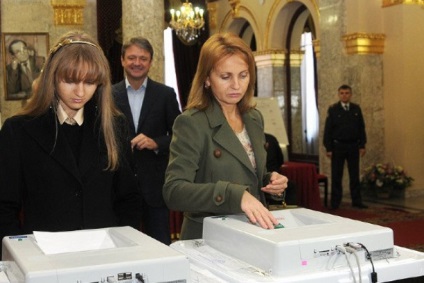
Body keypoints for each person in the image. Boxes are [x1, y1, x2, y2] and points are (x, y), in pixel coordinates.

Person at [0, 31, 143, 254]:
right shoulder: (18, 130)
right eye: (70, 81)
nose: (80, 92)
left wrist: (124, 250)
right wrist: (22, 256)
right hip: (43, 259)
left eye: (90, 82)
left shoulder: (115, 126)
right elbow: (4, 207)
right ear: (52, 77)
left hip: (105, 256)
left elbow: (128, 198)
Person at [163, 32, 289, 240]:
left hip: (253, 232)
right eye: (225, 77)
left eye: (243, 75)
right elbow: (174, 191)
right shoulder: (191, 122)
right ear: (206, 79)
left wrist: (271, 183)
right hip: (209, 238)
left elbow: (250, 173)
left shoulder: (254, 118)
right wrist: (233, 195)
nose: (236, 85)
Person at [112, 37, 181, 245]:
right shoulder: (107, 95)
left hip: (155, 188)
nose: (137, 62)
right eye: (132, 57)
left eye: (143, 58)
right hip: (119, 187)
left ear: (150, 62)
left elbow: (181, 137)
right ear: (122, 60)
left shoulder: (165, 94)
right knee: (123, 247)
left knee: (159, 246)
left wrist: (156, 143)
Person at [323, 84, 367, 209]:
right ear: (338, 95)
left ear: (350, 95)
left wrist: (362, 145)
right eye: (342, 93)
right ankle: (335, 202)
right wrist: (329, 148)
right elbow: (328, 130)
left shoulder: (356, 109)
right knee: (337, 175)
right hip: (338, 146)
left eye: (347, 93)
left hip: (353, 145)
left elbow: (361, 128)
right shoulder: (333, 109)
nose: (344, 95)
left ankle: (357, 201)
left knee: (354, 174)